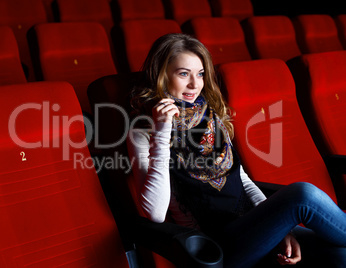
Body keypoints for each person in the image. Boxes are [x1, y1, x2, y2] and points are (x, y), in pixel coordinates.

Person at [127, 33, 346, 267]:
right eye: (183, 74)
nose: (194, 84)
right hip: (214, 246)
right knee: (303, 195)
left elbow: (241, 179)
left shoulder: (210, 117)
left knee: (340, 256)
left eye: (200, 74)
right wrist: (162, 131)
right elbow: (155, 214)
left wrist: (279, 227)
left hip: (251, 226)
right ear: (160, 75)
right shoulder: (143, 134)